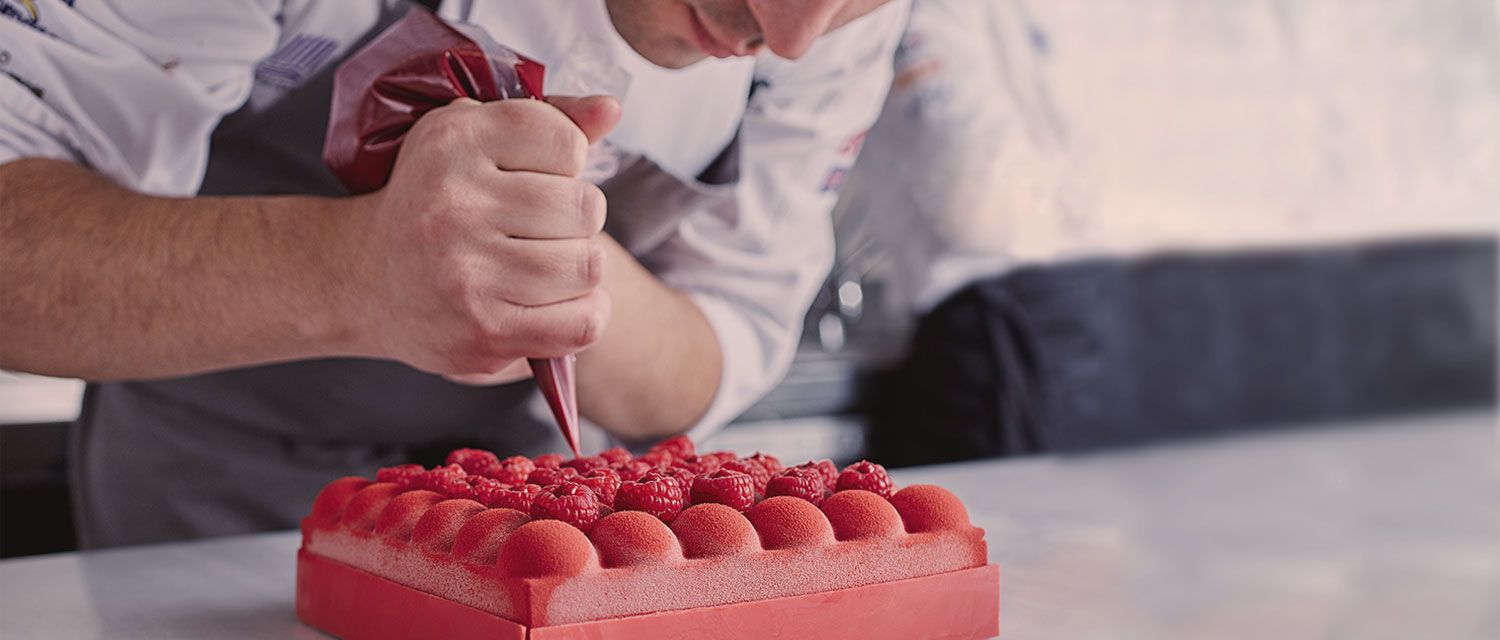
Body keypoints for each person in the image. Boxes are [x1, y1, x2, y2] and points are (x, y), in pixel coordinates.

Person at [0, 0, 907, 547]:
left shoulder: (822, 31)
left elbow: (726, 335)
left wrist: (562, 272)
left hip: (539, 520)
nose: (794, 35)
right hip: (208, 496)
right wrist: (353, 272)